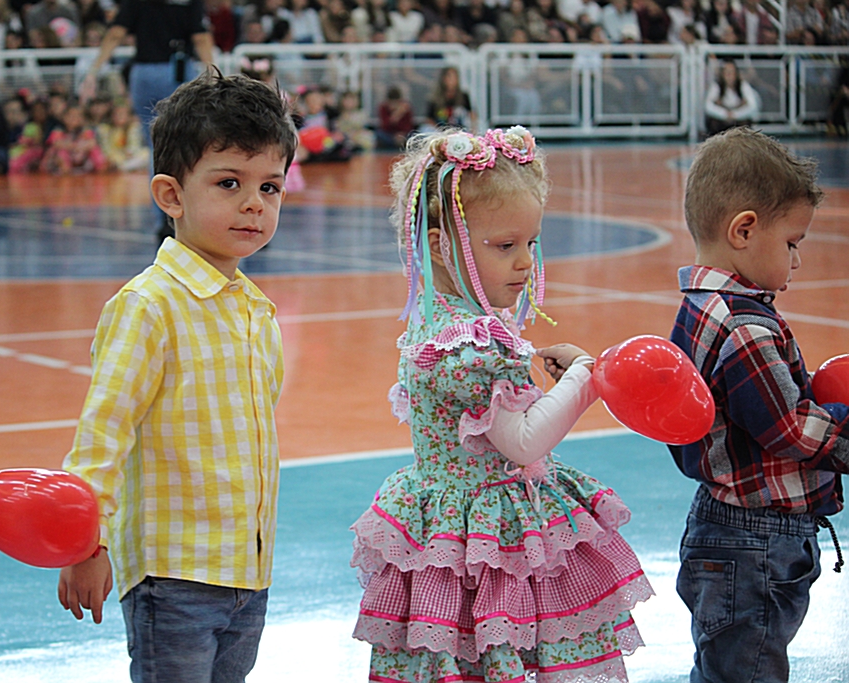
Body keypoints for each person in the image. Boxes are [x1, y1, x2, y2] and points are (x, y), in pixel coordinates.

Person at [349, 127, 654, 682]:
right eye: (503, 246)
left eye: (531, 243)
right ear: (442, 245)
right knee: (508, 643)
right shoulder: (476, 346)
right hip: (490, 527)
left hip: (450, 523)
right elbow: (523, 441)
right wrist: (586, 377)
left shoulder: (436, 323)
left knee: (463, 651)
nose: (524, 263)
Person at [55, 70, 298, 683]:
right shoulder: (148, 305)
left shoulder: (256, 309)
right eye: (229, 183)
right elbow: (102, 433)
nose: (254, 203)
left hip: (248, 569)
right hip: (176, 573)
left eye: (270, 186)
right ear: (170, 194)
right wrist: (85, 544)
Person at [669, 126, 849, 683]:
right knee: (748, 669)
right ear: (745, 229)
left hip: (728, 528)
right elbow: (791, 431)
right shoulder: (746, 324)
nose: (796, 261)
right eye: (792, 242)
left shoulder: (701, 307)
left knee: (728, 665)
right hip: (756, 540)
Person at [78, 0, 213, 242]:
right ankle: (188, 212)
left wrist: (94, 70)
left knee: (155, 145)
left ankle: (163, 216)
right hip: (178, 71)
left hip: (144, 72)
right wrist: (213, 74)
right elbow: (201, 38)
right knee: (187, 142)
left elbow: (115, 33)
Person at [703, 60, 760, 136]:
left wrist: (735, 115)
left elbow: (753, 106)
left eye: (732, 72)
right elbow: (708, 106)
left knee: (746, 124)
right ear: (722, 74)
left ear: (736, 73)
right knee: (713, 123)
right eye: (727, 72)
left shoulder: (743, 85)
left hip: (738, 121)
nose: (729, 76)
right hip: (722, 122)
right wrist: (724, 114)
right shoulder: (717, 86)